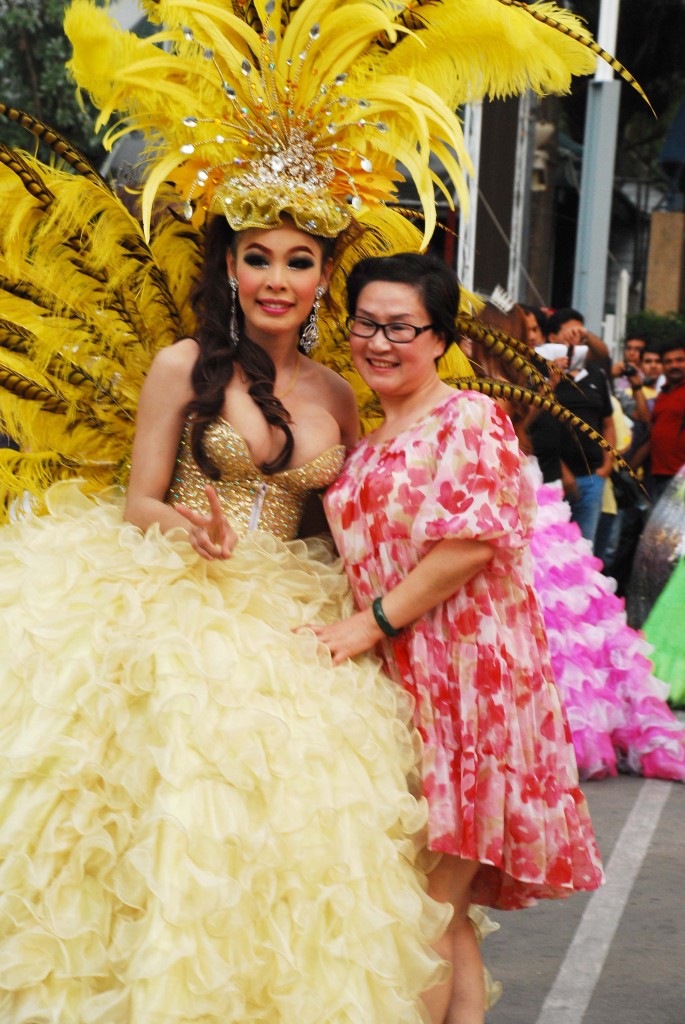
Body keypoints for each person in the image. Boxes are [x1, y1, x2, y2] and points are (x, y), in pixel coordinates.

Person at [309, 253, 604, 1024]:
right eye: (365, 324)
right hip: (405, 687)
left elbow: (470, 544)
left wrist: (368, 624)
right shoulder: (372, 438)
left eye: (399, 327)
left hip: (467, 686)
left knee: (421, 911)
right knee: (440, 914)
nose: (379, 341)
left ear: (438, 337)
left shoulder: (467, 417)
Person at [648, 339, 685, 501]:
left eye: (680, 360)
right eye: (668, 362)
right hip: (659, 475)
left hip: (681, 478)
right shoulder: (662, 394)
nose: (674, 365)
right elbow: (652, 433)